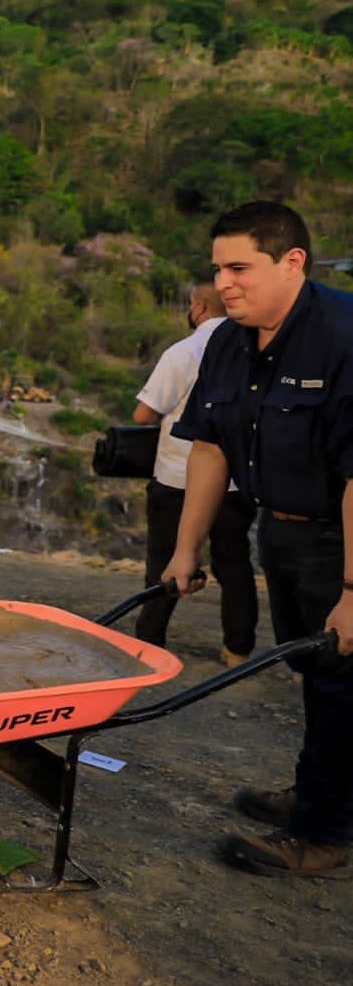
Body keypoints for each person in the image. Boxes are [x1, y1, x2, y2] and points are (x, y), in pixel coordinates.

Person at [163, 200, 353, 879]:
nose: (223, 284)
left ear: (291, 262)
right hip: (281, 530)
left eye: (239, 267)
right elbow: (209, 446)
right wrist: (184, 549)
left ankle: (323, 833)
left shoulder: (341, 335)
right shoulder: (225, 340)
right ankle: (316, 792)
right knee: (313, 675)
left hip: (343, 537)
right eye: (217, 269)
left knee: (341, 680)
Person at [133, 283, 257, 665]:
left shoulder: (183, 352)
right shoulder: (253, 350)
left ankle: (150, 644)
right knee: (234, 565)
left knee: (163, 561)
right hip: (236, 482)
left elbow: (145, 415)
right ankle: (238, 649)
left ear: (199, 307)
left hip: (177, 478)